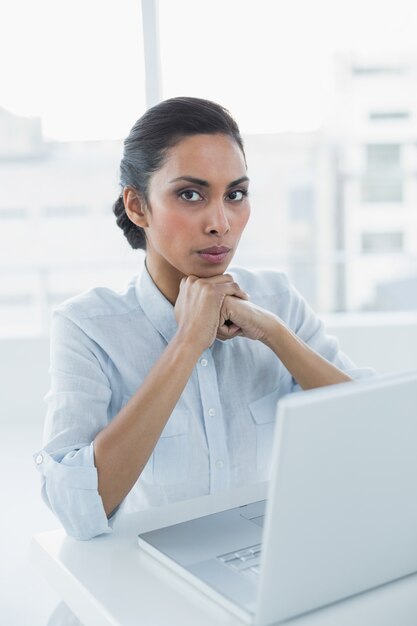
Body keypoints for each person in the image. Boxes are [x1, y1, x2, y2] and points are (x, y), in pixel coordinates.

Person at [34, 97, 373, 540]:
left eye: (235, 195)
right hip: (139, 583)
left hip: (263, 567)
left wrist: (274, 334)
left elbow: (372, 433)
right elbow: (76, 510)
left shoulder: (277, 299)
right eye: (190, 194)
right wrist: (187, 342)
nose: (220, 223)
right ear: (138, 206)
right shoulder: (88, 328)